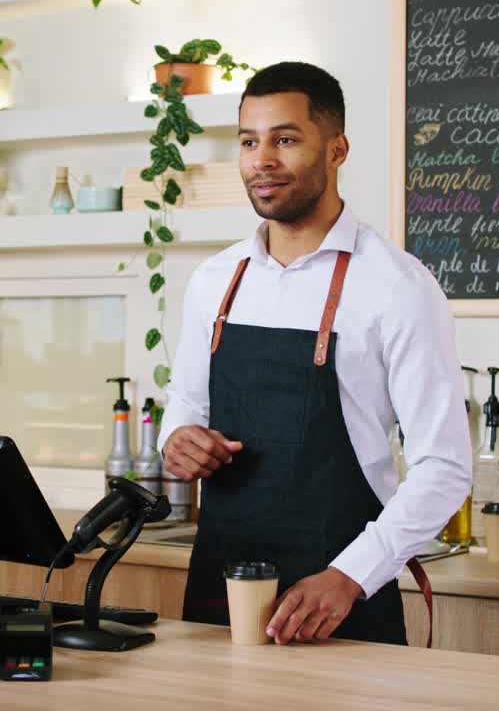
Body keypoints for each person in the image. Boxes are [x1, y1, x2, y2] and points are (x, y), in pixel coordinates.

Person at [159, 62, 471, 646]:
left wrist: (350, 578)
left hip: (338, 603)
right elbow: (185, 404)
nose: (262, 160)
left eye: (286, 139)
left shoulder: (397, 287)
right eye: (249, 142)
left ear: (337, 149)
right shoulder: (214, 280)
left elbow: (445, 467)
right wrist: (176, 437)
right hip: (218, 591)